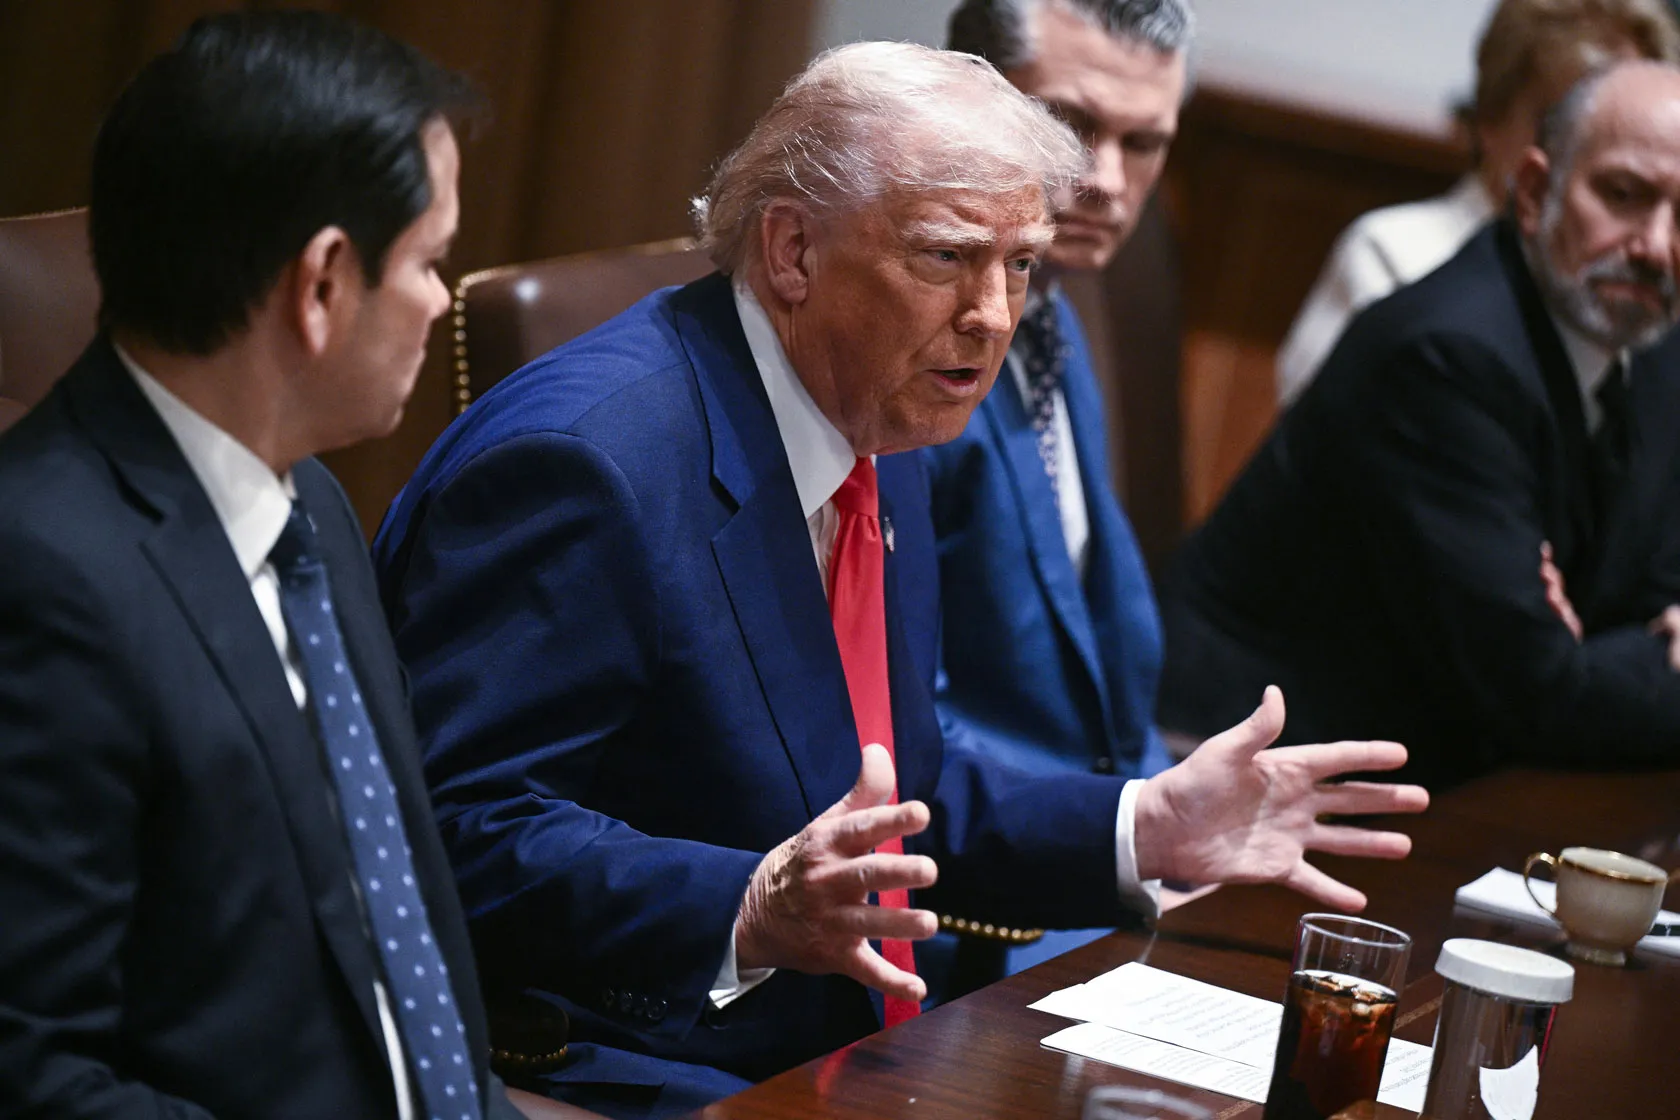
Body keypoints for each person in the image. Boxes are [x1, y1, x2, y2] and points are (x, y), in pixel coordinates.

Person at [373, 42, 1427, 1120]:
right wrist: (742, 906)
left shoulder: (877, 420)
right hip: (626, 1057)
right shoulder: (587, 465)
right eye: (946, 258)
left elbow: (890, 784)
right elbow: (445, 828)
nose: (994, 314)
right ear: (792, 249)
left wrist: (1143, 824)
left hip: (854, 1048)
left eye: (1020, 265)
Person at [0, 13, 521, 1119]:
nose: (441, 299)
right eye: (428, 260)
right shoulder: (40, 577)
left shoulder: (308, 506)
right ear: (322, 283)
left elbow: (391, 945)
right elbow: (30, 1073)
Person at [1159, 60, 1680, 789]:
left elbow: (1652, 581)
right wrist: (1613, 649)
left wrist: (1600, 642)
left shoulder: (1652, 342)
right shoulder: (1447, 355)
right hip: (1243, 768)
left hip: (1439, 767)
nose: (1656, 245)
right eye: (1624, 195)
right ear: (1536, 192)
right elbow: (1539, 692)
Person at [923, 0, 1189, 989]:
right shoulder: (908, 353)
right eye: (1071, 124)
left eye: (1144, 142)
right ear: (967, 97)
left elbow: (1100, 683)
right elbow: (884, 718)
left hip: (1086, 870)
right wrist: (1131, 836)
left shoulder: (1056, 319)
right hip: (959, 916)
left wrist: (1182, 817)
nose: (1108, 180)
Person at [1275, 0, 1680, 407]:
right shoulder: (1392, 254)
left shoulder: (1641, 281)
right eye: (1560, 122)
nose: (1581, 147)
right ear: (1491, 115)